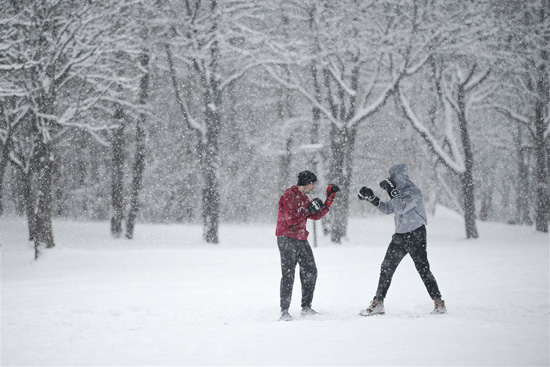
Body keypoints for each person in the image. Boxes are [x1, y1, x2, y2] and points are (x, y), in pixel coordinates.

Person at [357, 163, 447, 316]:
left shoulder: (414, 192)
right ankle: (378, 303)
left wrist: (391, 190)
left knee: (423, 269)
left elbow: (400, 207)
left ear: (400, 176)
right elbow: (388, 209)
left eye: (393, 176)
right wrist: (372, 198)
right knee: (387, 267)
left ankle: (439, 303)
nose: (391, 179)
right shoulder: (397, 193)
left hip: (416, 234)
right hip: (400, 235)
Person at [276, 170, 339, 321]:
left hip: (300, 238)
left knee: (310, 270)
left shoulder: (304, 197)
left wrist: (328, 201)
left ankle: (306, 307)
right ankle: (284, 311)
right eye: (313, 183)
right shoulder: (288, 195)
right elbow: (290, 219)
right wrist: (307, 210)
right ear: (307, 182)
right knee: (288, 274)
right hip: (286, 238)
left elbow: (314, 215)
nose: (314, 186)